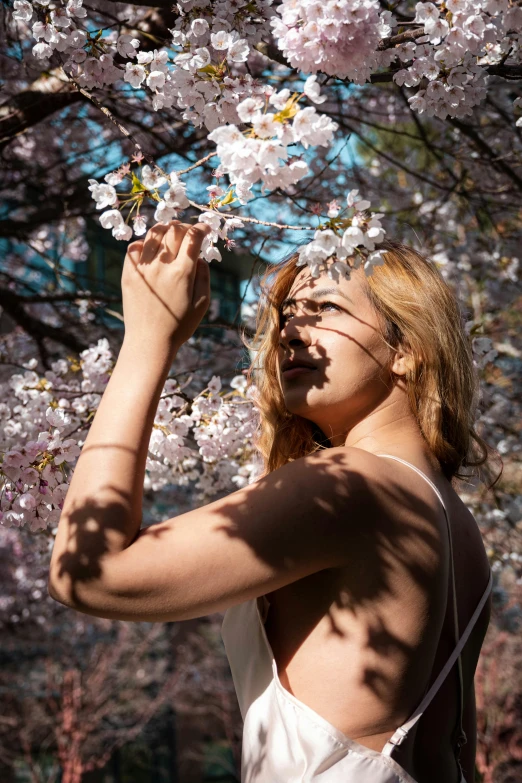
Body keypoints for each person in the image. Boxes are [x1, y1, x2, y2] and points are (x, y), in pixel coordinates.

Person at [48, 221, 494, 783]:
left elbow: (87, 573)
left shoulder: (353, 483)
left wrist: (146, 339)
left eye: (326, 307)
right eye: (286, 314)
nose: (289, 332)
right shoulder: (456, 522)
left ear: (406, 349)